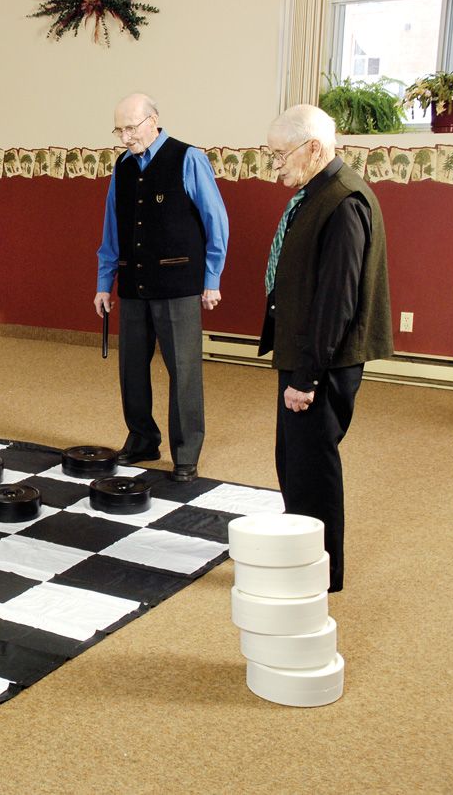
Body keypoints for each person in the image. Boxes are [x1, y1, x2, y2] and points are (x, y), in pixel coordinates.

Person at [260, 105, 393, 593]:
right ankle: (302, 553)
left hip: (322, 361)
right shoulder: (316, 193)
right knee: (293, 461)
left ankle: (322, 571)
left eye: (280, 154)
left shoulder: (343, 202)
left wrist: (306, 378)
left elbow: (337, 301)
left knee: (313, 467)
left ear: (313, 148)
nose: (275, 164)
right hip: (304, 353)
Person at [93, 93, 229, 482]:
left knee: (183, 372)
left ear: (153, 121)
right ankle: (142, 440)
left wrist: (212, 278)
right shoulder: (122, 166)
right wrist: (105, 283)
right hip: (134, 283)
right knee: (131, 368)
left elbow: (215, 221)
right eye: (118, 130)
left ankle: (186, 453)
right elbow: (112, 229)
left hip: (178, 284)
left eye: (130, 129)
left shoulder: (189, 158)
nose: (124, 138)